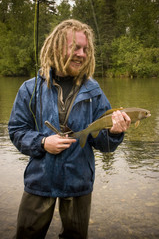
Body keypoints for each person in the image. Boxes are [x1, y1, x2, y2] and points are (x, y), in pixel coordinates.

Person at [8, 19, 131, 239]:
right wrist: (43, 143)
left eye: (85, 49)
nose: (82, 54)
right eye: (75, 47)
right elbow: (17, 131)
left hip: (79, 183)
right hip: (39, 181)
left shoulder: (94, 92)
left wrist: (114, 133)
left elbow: (102, 144)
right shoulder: (29, 88)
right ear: (56, 47)